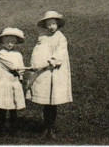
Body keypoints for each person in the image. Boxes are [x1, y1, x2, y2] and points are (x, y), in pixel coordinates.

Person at [28, 11, 72, 139]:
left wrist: (53, 61)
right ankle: (45, 127)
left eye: (53, 24)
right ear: (45, 26)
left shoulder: (61, 38)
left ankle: (51, 128)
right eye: (48, 24)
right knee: (46, 101)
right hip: (44, 72)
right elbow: (37, 52)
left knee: (53, 102)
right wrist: (37, 64)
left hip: (56, 72)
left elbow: (60, 54)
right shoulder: (42, 37)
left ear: (57, 24)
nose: (51, 27)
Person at [0, 27, 29, 134]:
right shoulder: (1, 54)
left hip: (14, 82)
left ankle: (14, 127)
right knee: (2, 107)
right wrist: (29, 68)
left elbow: (20, 67)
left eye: (13, 42)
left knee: (13, 107)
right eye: (7, 42)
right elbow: (13, 66)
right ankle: (2, 127)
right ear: (2, 42)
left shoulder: (18, 54)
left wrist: (21, 77)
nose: (10, 44)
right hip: (3, 83)